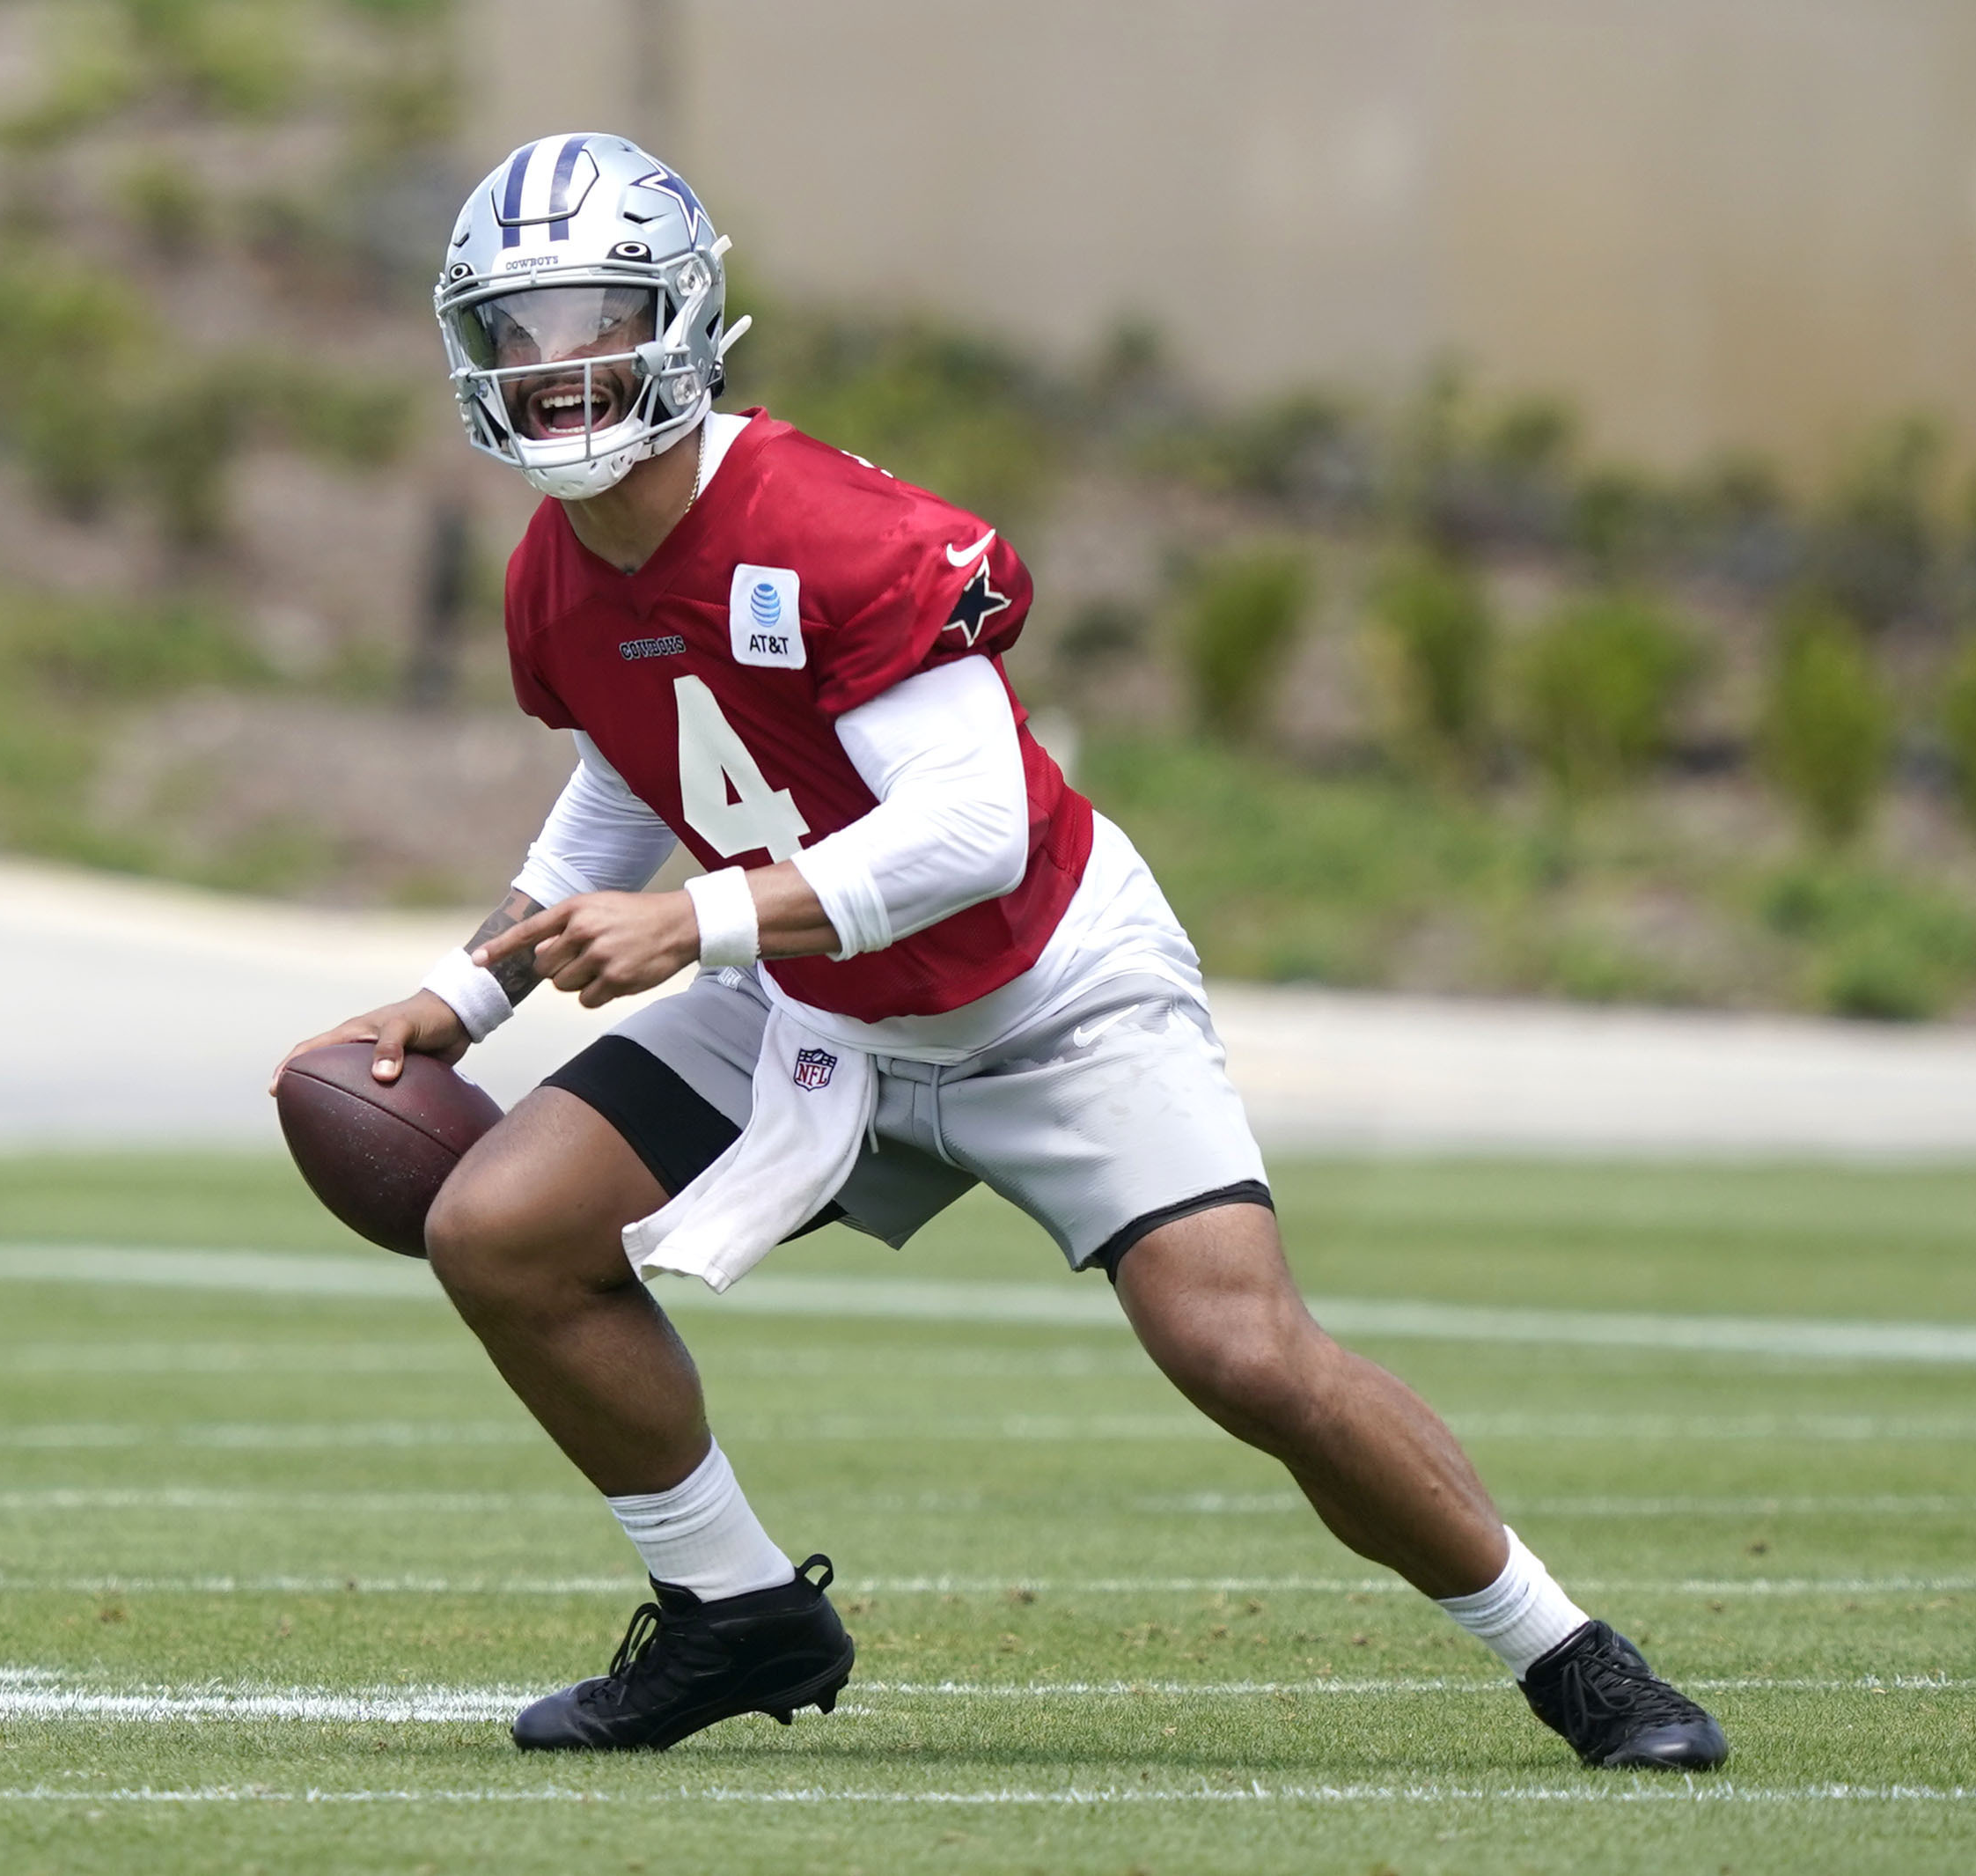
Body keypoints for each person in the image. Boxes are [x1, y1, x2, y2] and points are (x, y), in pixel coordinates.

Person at [276, 131, 1727, 1769]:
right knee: (503, 1226)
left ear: (678, 316)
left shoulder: (823, 528)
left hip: (1039, 992)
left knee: (1240, 1352)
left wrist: (702, 920)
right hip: (815, 1004)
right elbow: (631, 768)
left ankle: (1573, 1658)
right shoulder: (556, 573)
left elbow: (971, 836)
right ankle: (733, 1614)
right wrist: (468, 995)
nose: (555, 369)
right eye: (518, 330)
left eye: (592, 316)